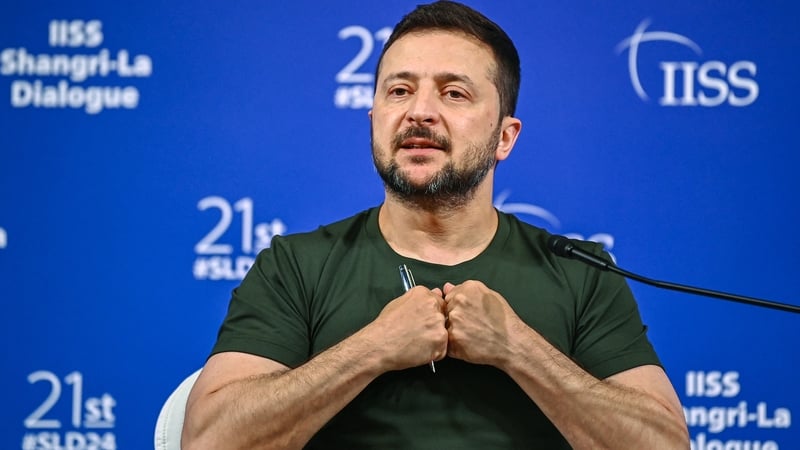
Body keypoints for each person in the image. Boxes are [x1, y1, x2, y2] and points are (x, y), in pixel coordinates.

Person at [181, 1, 690, 448]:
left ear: (504, 137)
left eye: (454, 94)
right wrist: (371, 349)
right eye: (399, 91)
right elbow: (208, 440)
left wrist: (520, 349)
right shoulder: (296, 265)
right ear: (374, 117)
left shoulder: (579, 272)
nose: (419, 112)